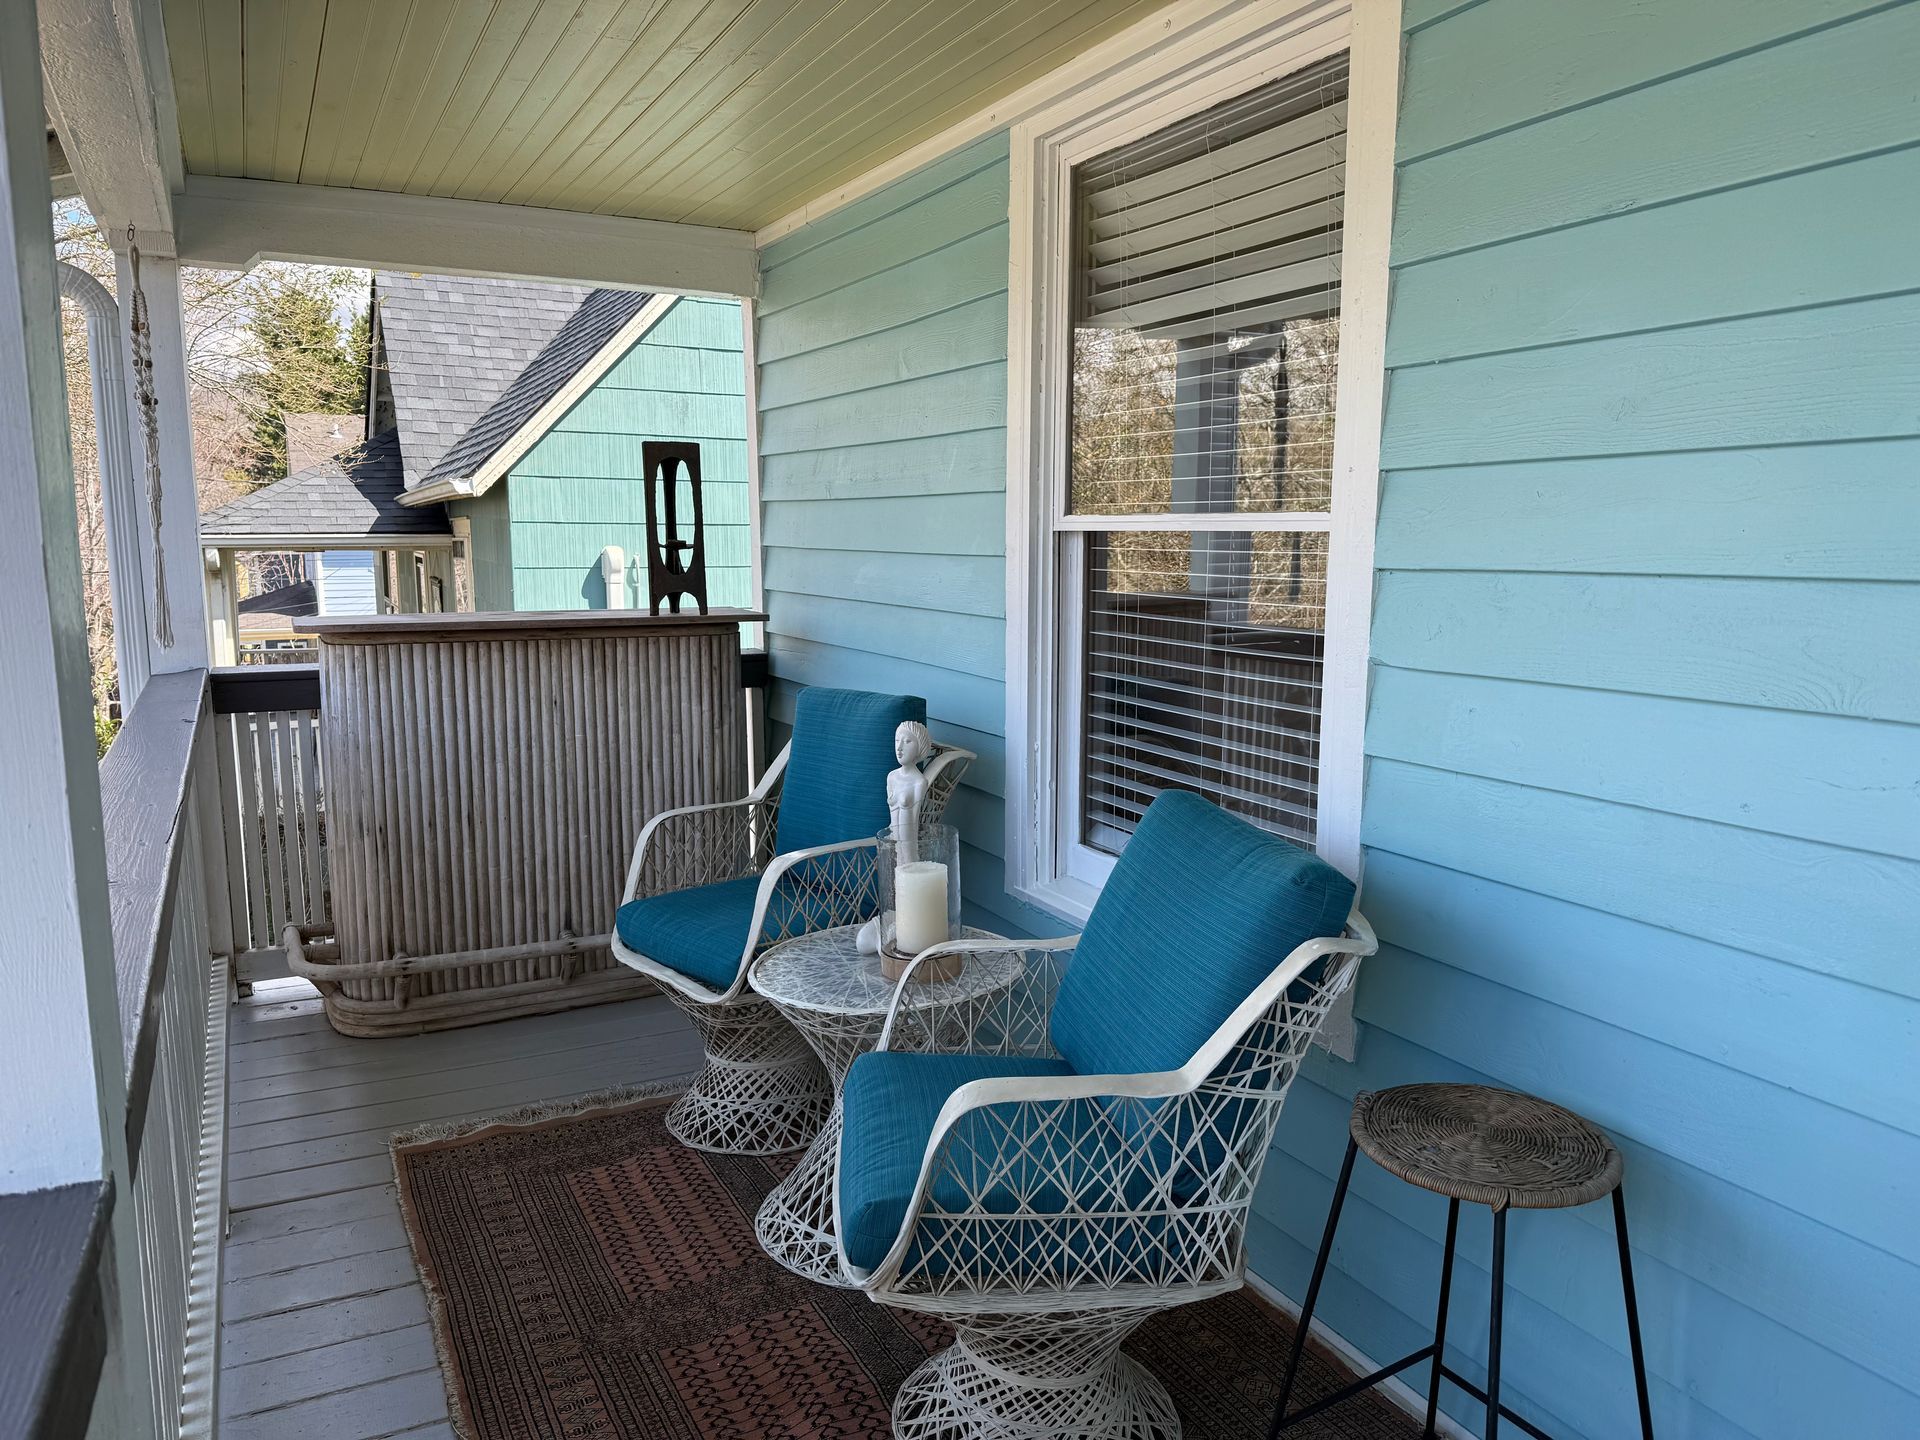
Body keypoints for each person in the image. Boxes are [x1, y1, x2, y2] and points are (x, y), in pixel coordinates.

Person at [886, 720, 934, 865]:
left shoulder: (919, 782)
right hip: (892, 840)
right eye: (897, 741)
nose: (899, 747)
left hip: (909, 844)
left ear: (920, 747)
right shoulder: (891, 777)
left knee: (908, 867)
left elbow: (916, 819)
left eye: (907, 741)